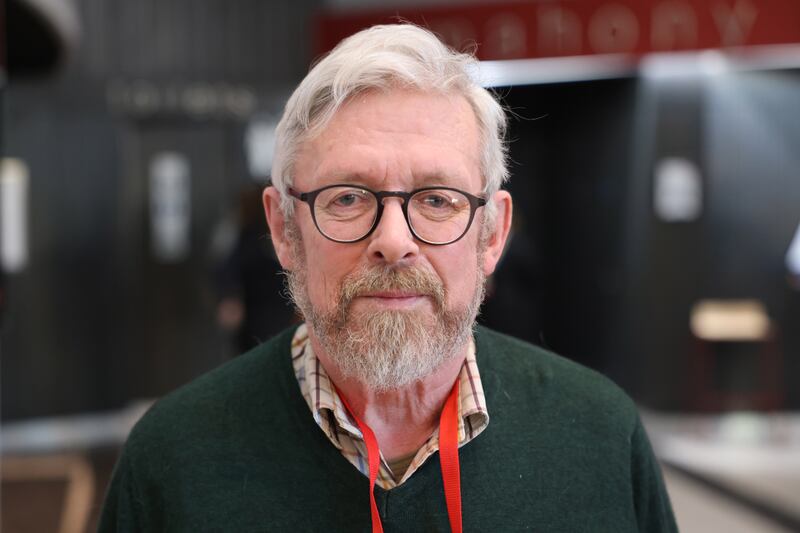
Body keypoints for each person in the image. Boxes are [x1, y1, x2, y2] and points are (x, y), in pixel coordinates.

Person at [98, 24, 677, 532]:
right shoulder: (172, 460)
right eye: (348, 197)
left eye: (436, 199)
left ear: (493, 235)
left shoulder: (600, 434)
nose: (395, 241)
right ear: (283, 230)